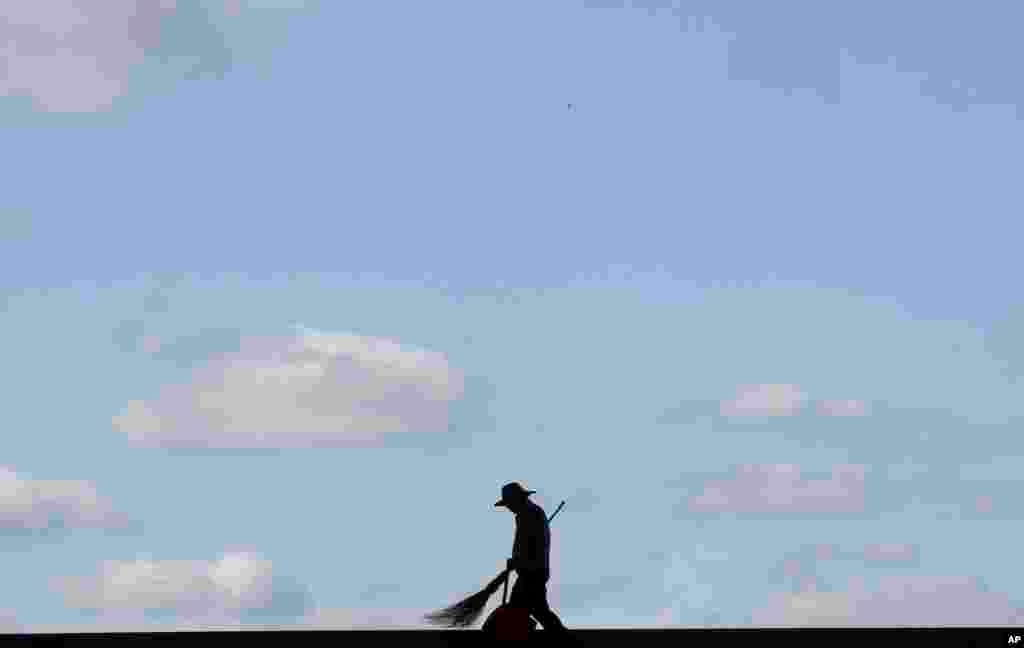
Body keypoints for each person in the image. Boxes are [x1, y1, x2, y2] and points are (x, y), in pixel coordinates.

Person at [494, 482, 570, 635]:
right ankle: (562, 638)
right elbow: (527, 542)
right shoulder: (528, 513)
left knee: (521, 609)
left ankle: (564, 639)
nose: (508, 507)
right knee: (537, 609)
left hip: (532, 571)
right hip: (532, 570)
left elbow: (533, 544)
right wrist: (516, 558)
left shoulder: (530, 514)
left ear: (518, 499)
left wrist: (517, 559)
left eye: (509, 503)